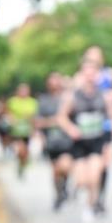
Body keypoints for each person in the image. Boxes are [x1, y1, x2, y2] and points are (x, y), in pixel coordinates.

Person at [58, 59, 112, 223]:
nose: (90, 76)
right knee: (82, 180)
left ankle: (89, 207)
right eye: (86, 73)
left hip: (97, 141)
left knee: (94, 177)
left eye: (93, 73)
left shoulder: (104, 96)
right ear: (81, 74)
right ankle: (77, 189)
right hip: (79, 143)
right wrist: (71, 128)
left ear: (98, 76)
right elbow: (61, 117)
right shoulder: (73, 96)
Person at [83, 46, 112, 215]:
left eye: (96, 57)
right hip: (86, 127)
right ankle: (87, 189)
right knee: (87, 164)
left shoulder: (110, 74)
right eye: (90, 57)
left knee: (105, 162)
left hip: (104, 124)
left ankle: (100, 198)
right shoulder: (82, 75)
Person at [36, 72, 73, 211]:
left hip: (66, 140)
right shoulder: (43, 100)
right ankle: (58, 194)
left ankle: (64, 187)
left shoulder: (67, 98)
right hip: (51, 141)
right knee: (55, 170)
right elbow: (38, 122)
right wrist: (53, 122)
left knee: (65, 166)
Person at [5, 83, 38, 178]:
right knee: (20, 149)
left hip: (27, 131)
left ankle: (22, 165)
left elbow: (34, 118)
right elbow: (8, 113)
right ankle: (19, 160)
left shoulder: (33, 102)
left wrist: (34, 130)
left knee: (25, 152)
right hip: (15, 131)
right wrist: (11, 120)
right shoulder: (12, 101)